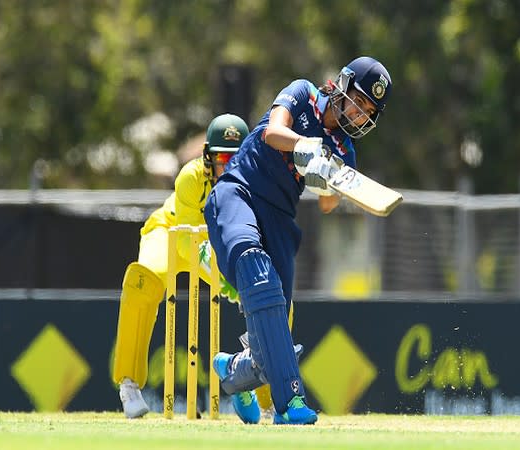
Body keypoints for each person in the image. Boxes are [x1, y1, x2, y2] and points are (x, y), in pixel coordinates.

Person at [204, 56, 392, 425]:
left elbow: (326, 204)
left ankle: (232, 372)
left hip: (279, 218)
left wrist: (327, 175)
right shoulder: (303, 94)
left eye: (367, 112)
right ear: (343, 84)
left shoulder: (344, 150)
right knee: (258, 275)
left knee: (268, 342)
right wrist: (307, 148)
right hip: (240, 192)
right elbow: (274, 133)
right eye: (358, 102)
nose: (358, 114)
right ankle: (290, 404)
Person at [112, 113, 261, 422]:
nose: (226, 166)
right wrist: (225, 280)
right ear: (208, 156)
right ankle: (128, 383)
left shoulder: (256, 185)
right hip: (171, 231)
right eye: (220, 157)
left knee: (268, 290)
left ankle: (274, 397)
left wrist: (244, 282)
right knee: (142, 280)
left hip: (217, 244)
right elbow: (188, 245)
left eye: (234, 158)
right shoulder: (191, 177)